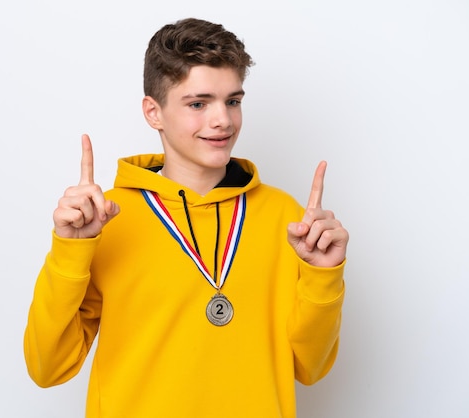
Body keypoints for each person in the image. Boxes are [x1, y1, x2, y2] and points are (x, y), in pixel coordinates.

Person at [24, 17, 348, 418]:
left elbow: (309, 369)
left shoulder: (288, 218)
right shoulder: (103, 219)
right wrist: (69, 251)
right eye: (198, 103)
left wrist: (323, 276)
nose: (223, 121)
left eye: (233, 101)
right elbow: (47, 367)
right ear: (153, 112)